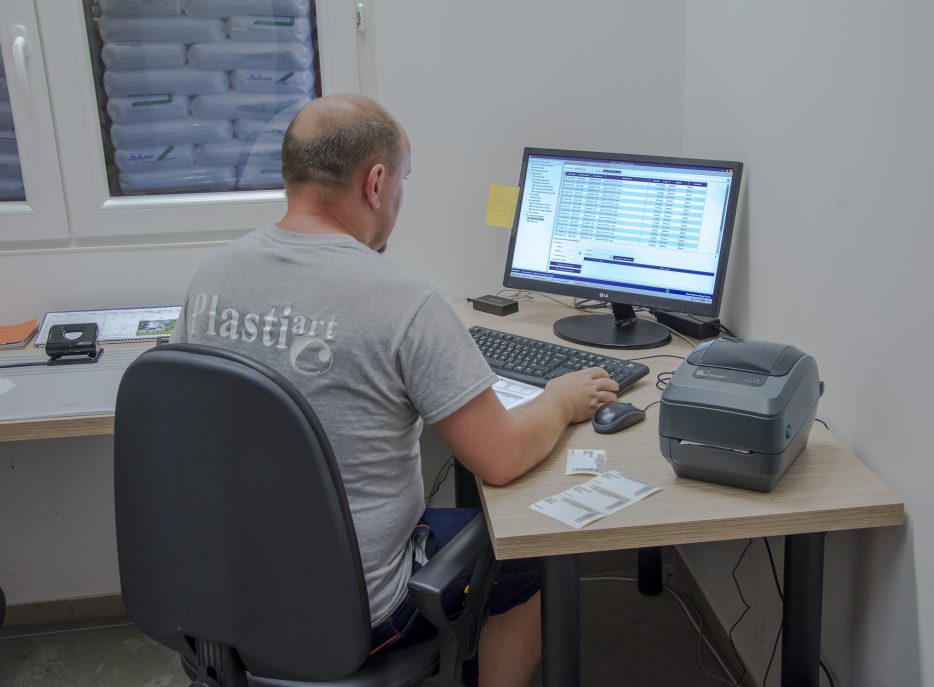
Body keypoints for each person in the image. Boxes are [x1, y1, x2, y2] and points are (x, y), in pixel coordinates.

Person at [170, 94, 618, 687]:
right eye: (404, 180)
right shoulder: (404, 302)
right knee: (531, 555)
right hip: (359, 612)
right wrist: (560, 399)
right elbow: (501, 457)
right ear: (376, 183)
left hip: (221, 597)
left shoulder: (212, 277)